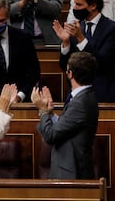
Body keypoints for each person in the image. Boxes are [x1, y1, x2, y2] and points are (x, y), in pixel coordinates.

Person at [33, 51, 99, 179]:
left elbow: (51, 136)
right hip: (69, 169)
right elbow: (68, 127)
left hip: (71, 172)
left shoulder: (80, 102)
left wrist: (42, 110)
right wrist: (51, 114)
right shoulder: (84, 97)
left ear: (70, 74)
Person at [53, 0, 115, 102]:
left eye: (79, 5)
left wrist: (81, 38)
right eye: (74, 4)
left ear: (93, 6)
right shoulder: (76, 27)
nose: (75, 8)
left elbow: (103, 63)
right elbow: (65, 65)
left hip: (104, 93)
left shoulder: (112, 29)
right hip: (76, 94)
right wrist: (65, 42)